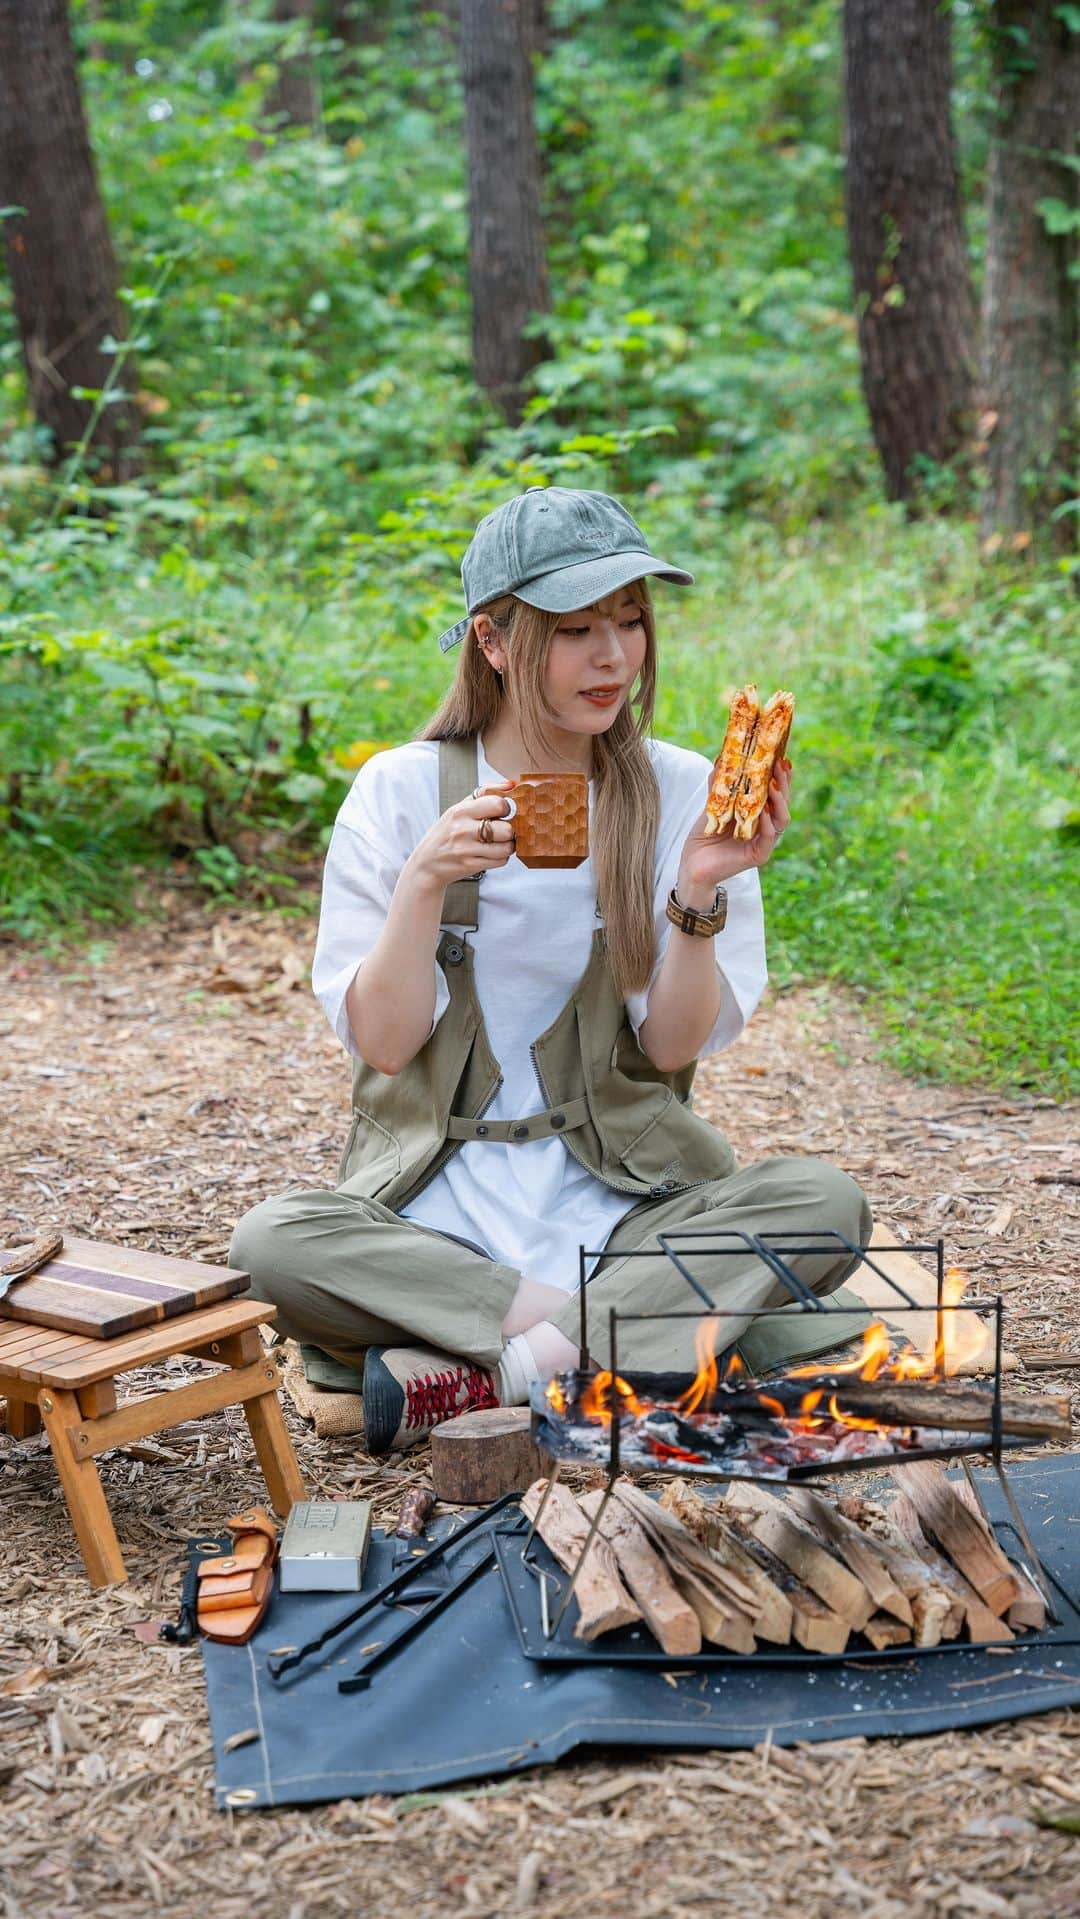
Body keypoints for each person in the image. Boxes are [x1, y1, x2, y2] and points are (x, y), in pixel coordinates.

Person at [231, 487, 872, 1454]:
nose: (612, 657)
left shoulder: (680, 788)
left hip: (620, 1205)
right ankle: (629, 1341)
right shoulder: (401, 790)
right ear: (493, 641)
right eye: (574, 629)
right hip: (436, 1211)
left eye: (629, 621)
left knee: (826, 1203)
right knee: (268, 1246)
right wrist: (422, 885)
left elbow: (672, 1047)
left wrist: (699, 885)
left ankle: (507, 1364)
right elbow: (385, 1041)